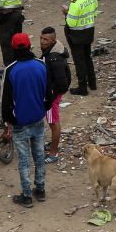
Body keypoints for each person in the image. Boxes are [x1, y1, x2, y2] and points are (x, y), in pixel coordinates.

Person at [0, 33, 52, 208]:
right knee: (39, 155)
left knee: (23, 160)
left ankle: (27, 195)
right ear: (30, 46)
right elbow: (48, 94)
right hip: (38, 118)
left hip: (19, 121)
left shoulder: (11, 70)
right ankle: (41, 190)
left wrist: (10, 119)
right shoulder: (41, 65)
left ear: (14, 48)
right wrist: (42, 110)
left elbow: (5, 101)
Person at [38, 26, 71, 164]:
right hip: (52, 93)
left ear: (53, 41)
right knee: (52, 122)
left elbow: (62, 83)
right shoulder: (51, 51)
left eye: (45, 39)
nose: (42, 41)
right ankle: (53, 145)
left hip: (52, 96)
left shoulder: (54, 58)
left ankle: (53, 153)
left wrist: (50, 96)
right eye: (41, 38)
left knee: (53, 123)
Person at [62, 0, 99, 96]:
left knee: (79, 61)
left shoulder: (75, 3)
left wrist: (66, 13)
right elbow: (94, 14)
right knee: (88, 58)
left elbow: (71, 23)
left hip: (77, 36)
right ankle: (92, 84)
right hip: (89, 32)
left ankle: (82, 88)